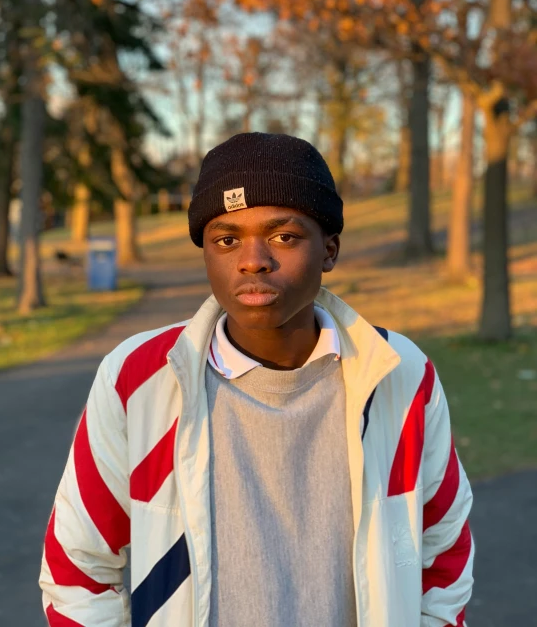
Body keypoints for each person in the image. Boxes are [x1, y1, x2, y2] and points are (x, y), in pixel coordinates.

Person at [39, 132, 474, 627]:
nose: (253, 260)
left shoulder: (401, 373)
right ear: (205, 252)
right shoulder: (139, 378)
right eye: (226, 239)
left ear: (329, 250)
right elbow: (78, 569)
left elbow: (443, 553)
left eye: (283, 236)